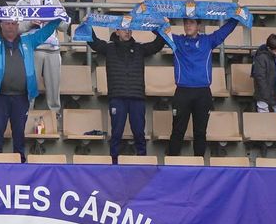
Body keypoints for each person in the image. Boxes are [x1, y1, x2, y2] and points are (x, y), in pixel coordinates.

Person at [0, 16, 60, 161]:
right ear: (1, 25)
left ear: (18, 25)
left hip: (21, 96)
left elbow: (45, 32)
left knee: (19, 134)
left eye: (13, 23)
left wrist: (57, 19)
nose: (10, 27)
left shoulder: (28, 40)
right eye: (7, 23)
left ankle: (20, 166)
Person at [88, 22, 165, 162]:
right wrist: (87, 24)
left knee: (139, 134)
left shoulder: (139, 48)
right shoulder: (109, 48)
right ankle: (114, 164)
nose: (127, 32)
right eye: (124, 29)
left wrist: (158, 27)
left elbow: (158, 44)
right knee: (116, 134)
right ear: (117, 32)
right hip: (117, 97)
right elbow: (93, 42)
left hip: (137, 98)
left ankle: (142, 163)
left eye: (129, 29)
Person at [165, 16, 241, 156]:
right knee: (177, 130)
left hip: (203, 93)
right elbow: (157, 30)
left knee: (200, 132)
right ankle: (172, 164)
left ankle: (199, 164)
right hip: (182, 92)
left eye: (192, 23)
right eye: (186, 23)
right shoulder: (177, 41)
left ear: (199, 26)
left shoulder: (207, 41)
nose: (188, 26)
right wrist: (151, 13)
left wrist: (236, 17)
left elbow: (224, 31)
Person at [16, 0, 65, 119]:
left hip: (52, 50)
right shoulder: (23, 2)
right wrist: (30, 23)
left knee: (54, 88)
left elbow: (65, 25)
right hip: (32, 50)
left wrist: (56, 19)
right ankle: (26, 118)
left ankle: (54, 119)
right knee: (30, 87)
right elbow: (16, 28)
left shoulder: (55, 2)